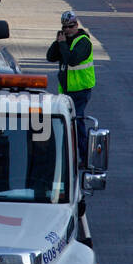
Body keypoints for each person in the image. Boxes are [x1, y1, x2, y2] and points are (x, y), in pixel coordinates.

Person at [46, 10, 95, 166]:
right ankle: (67, 157)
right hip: (67, 91)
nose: (68, 29)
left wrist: (62, 44)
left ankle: (85, 157)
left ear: (76, 25)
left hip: (81, 90)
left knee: (77, 122)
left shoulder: (83, 42)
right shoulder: (65, 41)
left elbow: (73, 60)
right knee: (66, 123)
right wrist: (58, 42)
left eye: (70, 26)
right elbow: (50, 57)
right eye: (65, 27)